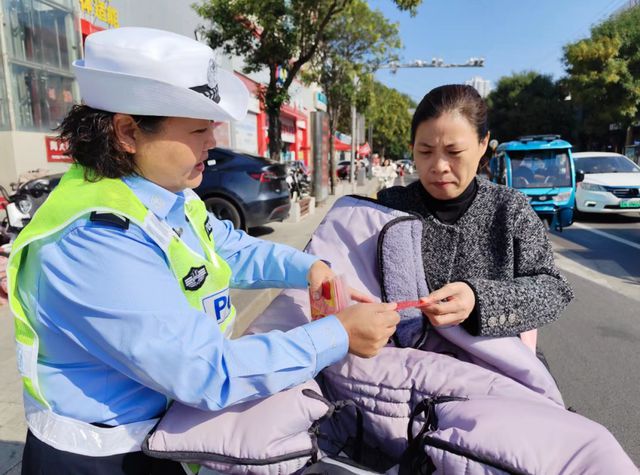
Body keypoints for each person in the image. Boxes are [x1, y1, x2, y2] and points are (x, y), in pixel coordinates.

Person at [7, 27, 399, 475]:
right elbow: (205, 372)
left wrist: (311, 268)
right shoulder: (95, 240)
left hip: (163, 433)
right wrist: (338, 336)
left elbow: (226, 250)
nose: (212, 143)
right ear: (127, 132)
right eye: (197, 130)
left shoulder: (166, 194)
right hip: (103, 457)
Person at [377, 84, 573, 339]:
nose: (438, 166)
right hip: (402, 370)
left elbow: (555, 290)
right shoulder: (388, 206)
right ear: (412, 147)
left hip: (491, 370)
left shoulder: (509, 209)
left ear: (482, 145)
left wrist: (478, 299)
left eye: (454, 152)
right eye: (425, 152)